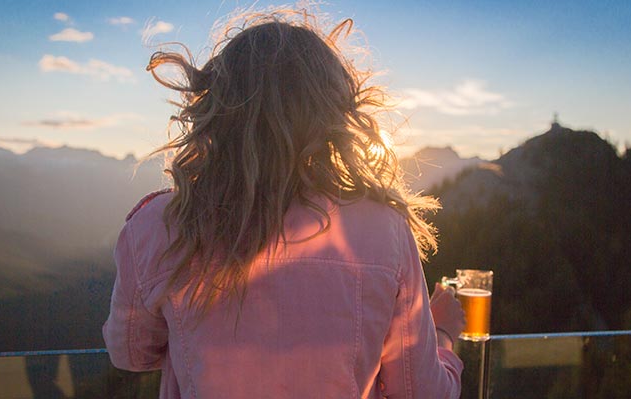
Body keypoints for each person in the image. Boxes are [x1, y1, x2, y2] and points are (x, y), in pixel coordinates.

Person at [103, 8, 465, 398]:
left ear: (215, 109)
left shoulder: (159, 225)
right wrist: (442, 335)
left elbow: (131, 354)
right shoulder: (385, 228)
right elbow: (421, 392)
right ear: (334, 114)